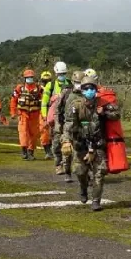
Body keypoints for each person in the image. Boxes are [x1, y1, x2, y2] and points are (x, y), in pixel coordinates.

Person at [60, 72, 121, 211]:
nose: (90, 91)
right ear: (82, 90)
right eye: (86, 88)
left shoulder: (103, 104)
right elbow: (68, 125)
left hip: (98, 144)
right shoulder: (75, 106)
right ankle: (83, 187)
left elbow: (116, 114)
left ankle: (96, 201)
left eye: (92, 88)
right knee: (80, 172)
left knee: (99, 173)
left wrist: (104, 113)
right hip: (80, 145)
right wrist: (65, 141)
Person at [51, 70, 85, 183]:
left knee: (83, 150)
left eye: (80, 82)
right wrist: (58, 124)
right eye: (77, 82)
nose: (78, 85)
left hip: (82, 126)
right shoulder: (66, 93)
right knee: (66, 150)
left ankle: (86, 173)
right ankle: (67, 172)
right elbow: (58, 110)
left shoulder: (87, 93)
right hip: (68, 125)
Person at [41, 61, 73, 174]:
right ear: (56, 74)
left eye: (63, 73)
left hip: (68, 118)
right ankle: (58, 164)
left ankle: (66, 165)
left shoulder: (70, 84)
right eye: (60, 74)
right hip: (54, 119)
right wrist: (45, 117)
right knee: (55, 144)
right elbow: (44, 103)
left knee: (67, 143)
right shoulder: (50, 86)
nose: (62, 76)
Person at [10, 69, 44, 160]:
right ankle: (24, 151)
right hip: (23, 114)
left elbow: (44, 102)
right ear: (24, 78)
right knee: (23, 132)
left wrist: (44, 114)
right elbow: (13, 101)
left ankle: (31, 151)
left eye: (31, 77)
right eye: (27, 77)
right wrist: (13, 112)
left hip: (35, 114)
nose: (29, 79)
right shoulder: (19, 88)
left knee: (34, 134)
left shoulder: (39, 89)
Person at [38, 71, 55, 159]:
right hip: (41, 114)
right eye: (44, 81)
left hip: (52, 112)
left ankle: (53, 150)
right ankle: (48, 152)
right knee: (44, 132)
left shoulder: (53, 88)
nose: (46, 83)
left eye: (48, 81)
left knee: (54, 132)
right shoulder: (38, 90)